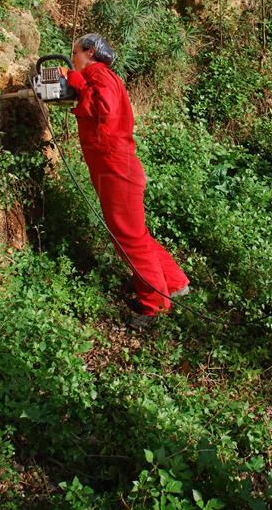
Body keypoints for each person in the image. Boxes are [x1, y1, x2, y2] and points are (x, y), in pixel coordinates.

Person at [65, 33, 189, 329]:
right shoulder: (102, 77)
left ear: (90, 52)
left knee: (128, 239)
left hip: (117, 171)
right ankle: (174, 282)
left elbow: (103, 114)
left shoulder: (99, 75)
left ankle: (155, 306)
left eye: (75, 54)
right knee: (134, 234)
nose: (73, 60)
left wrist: (76, 81)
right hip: (118, 170)